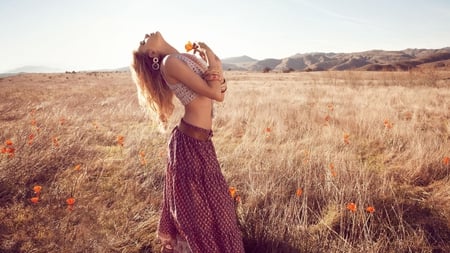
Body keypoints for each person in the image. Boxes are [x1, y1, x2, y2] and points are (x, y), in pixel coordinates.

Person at [130, 31, 245, 253]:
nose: (146, 35)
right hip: (189, 143)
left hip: (200, 141)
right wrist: (210, 57)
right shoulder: (169, 62)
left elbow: (220, 85)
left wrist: (212, 58)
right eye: (143, 42)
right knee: (198, 213)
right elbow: (216, 93)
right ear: (152, 53)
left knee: (217, 206)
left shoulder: (182, 57)